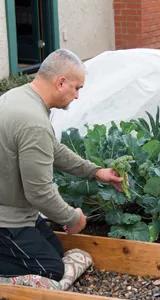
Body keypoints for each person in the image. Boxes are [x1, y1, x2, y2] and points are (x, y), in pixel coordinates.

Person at [0, 49, 123, 281]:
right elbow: (39, 193)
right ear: (61, 82)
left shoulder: (20, 97)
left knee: (56, 252)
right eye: (77, 88)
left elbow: (52, 149)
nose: (77, 96)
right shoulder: (33, 122)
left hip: (16, 210)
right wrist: (72, 218)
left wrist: (95, 172)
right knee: (51, 270)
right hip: (6, 219)